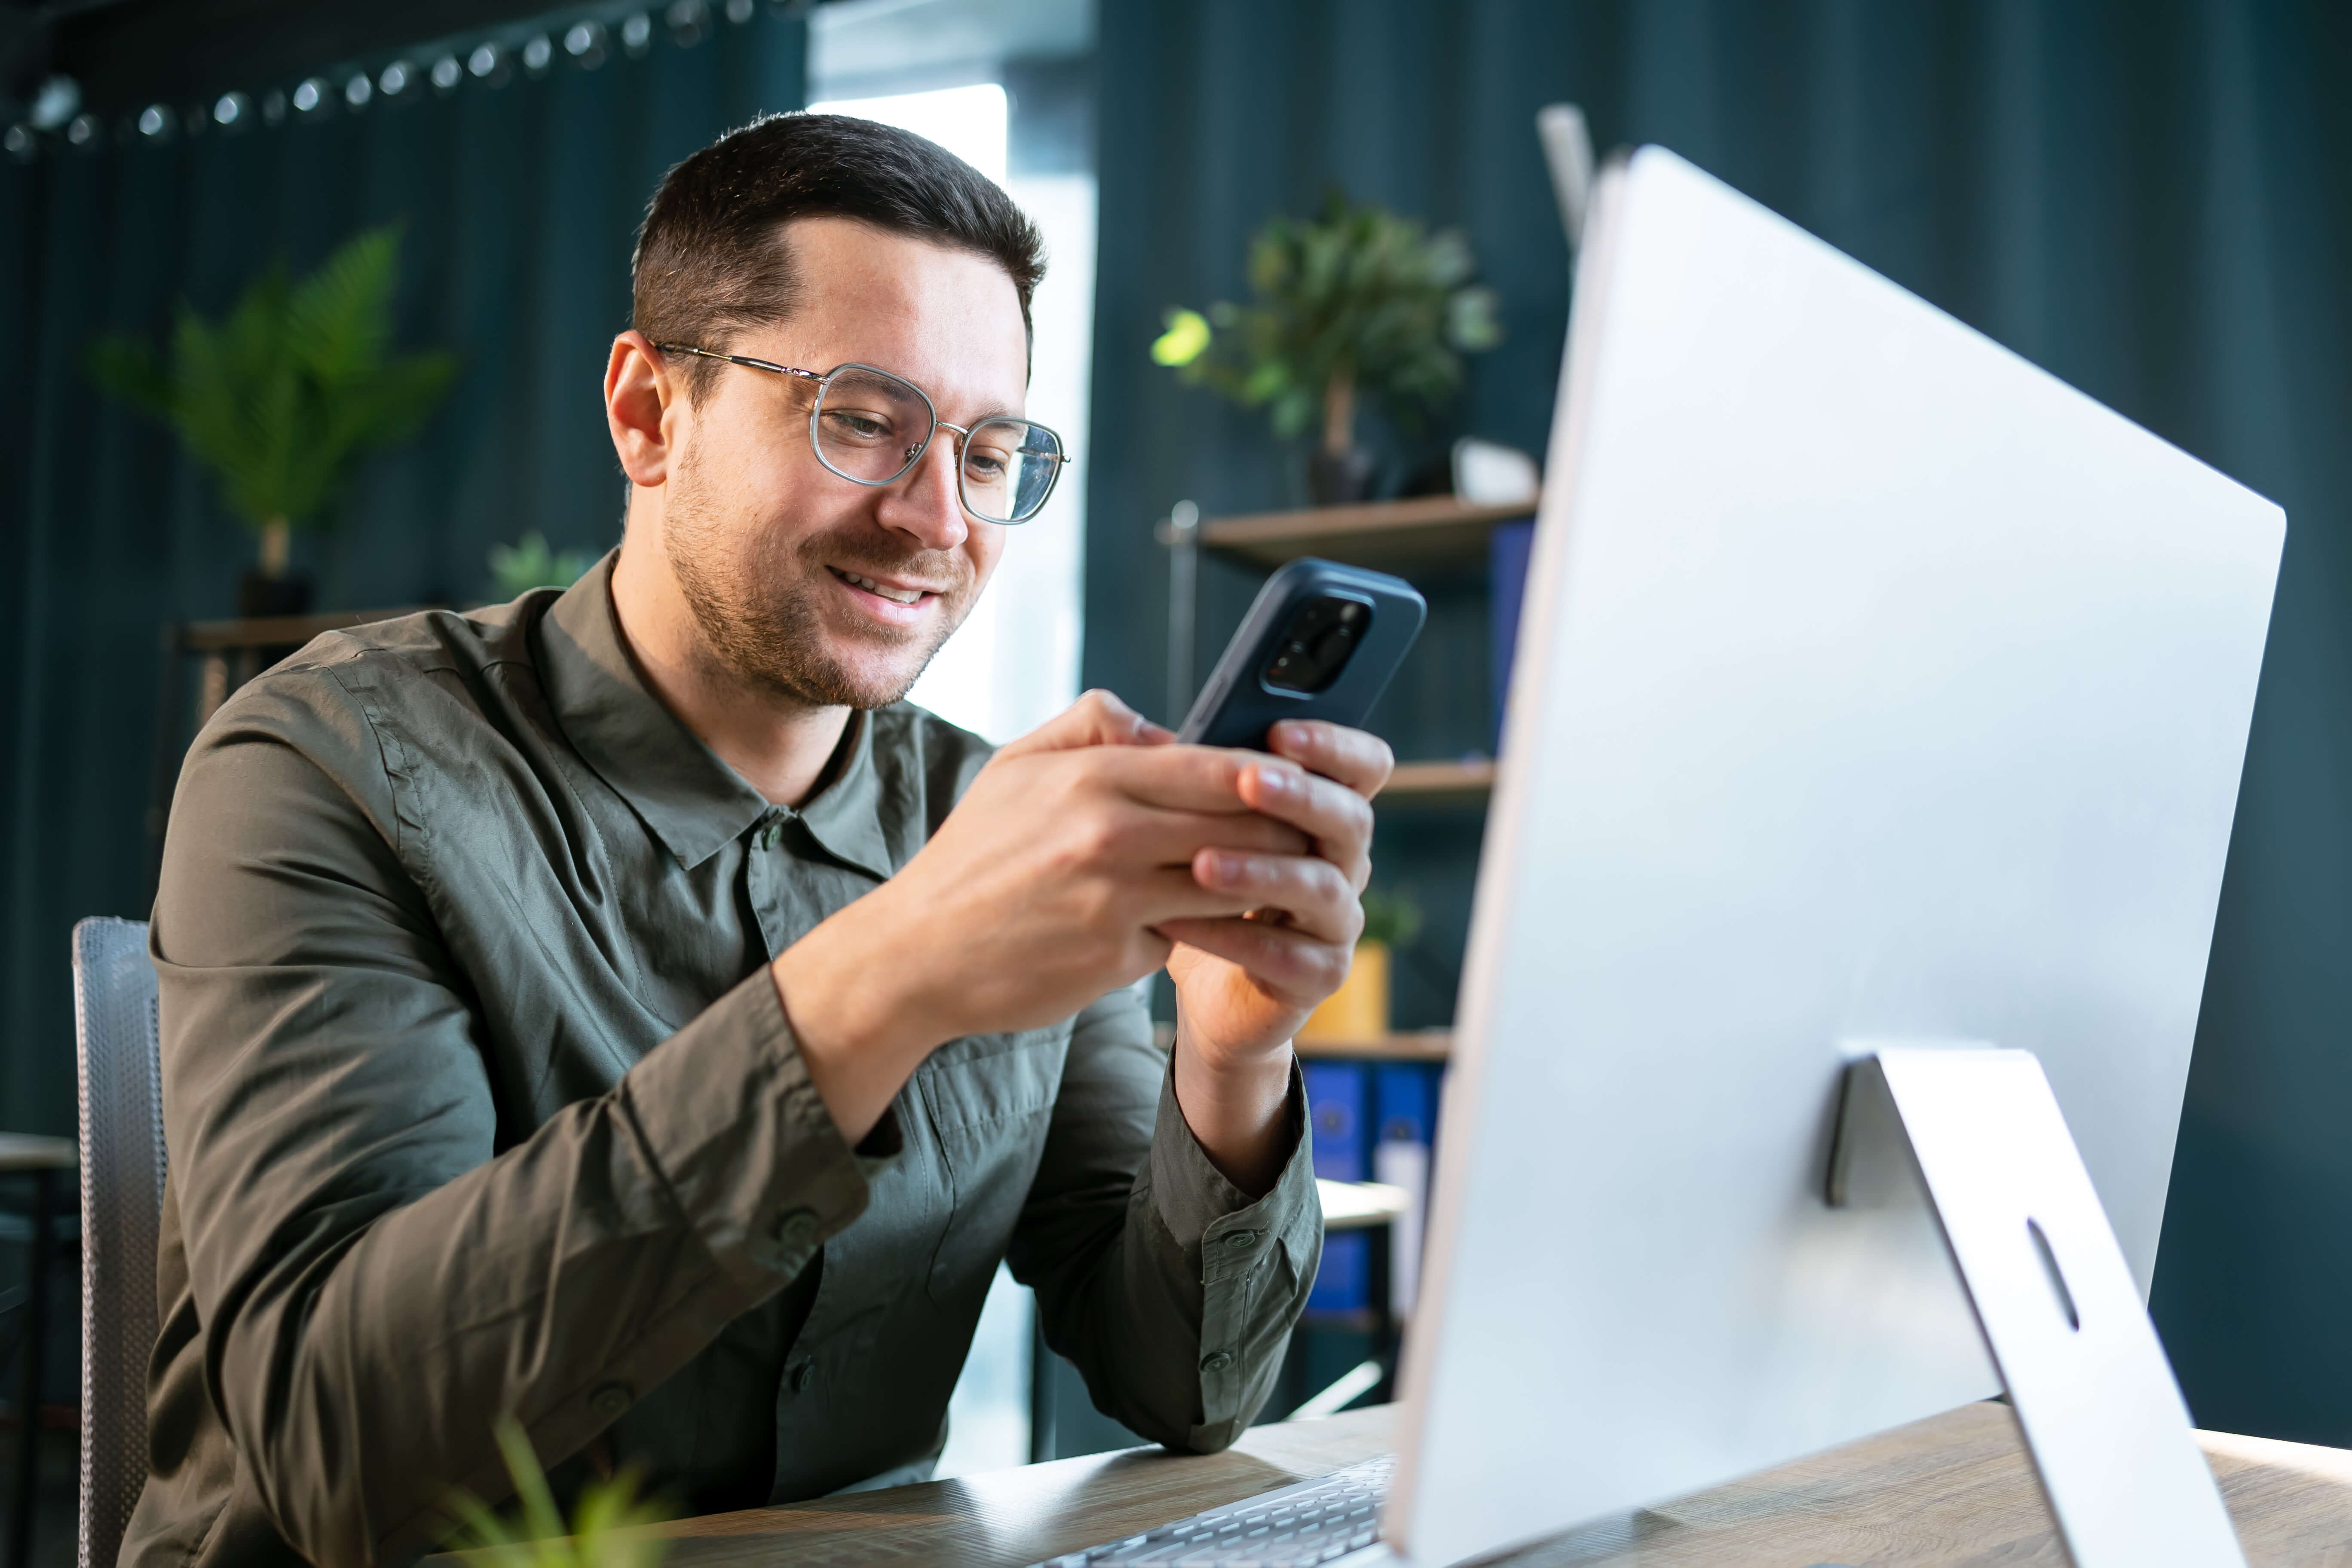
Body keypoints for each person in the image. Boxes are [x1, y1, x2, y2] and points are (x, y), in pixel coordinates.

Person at [126, 113, 1390, 1567]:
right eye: (863, 419)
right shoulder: (330, 765)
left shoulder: (1000, 819)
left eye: (989, 453)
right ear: (650, 414)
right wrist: (891, 974)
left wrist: (1233, 1054)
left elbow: (1189, 1386)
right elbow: (335, 1452)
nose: (937, 520)